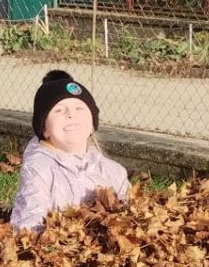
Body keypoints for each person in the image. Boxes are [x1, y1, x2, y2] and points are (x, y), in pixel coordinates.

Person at [10, 69, 130, 232]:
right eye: (59, 110)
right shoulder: (39, 168)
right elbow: (27, 224)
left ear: (92, 125)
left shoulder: (114, 172)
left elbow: (131, 220)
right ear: (45, 129)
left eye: (79, 108)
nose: (71, 115)